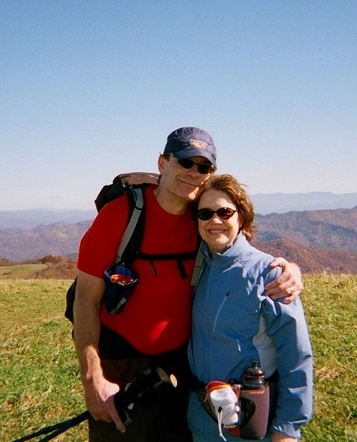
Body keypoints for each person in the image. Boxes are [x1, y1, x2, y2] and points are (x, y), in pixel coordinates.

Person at [73, 127, 304, 442]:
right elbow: (85, 299)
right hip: (121, 367)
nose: (193, 172)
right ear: (163, 164)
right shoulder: (120, 215)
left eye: (203, 166)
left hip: (182, 372)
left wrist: (287, 270)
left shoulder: (200, 220)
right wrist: (92, 380)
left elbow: (237, 253)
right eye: (185, 162)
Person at [187, 174, 313, 442]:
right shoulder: (197, 266)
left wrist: (288, 428)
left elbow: (296, 354)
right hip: (200, 419)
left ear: (241, 218)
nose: (215, 220)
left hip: (249, 422)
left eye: (225, 212)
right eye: (205, 213)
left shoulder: (269, 274)